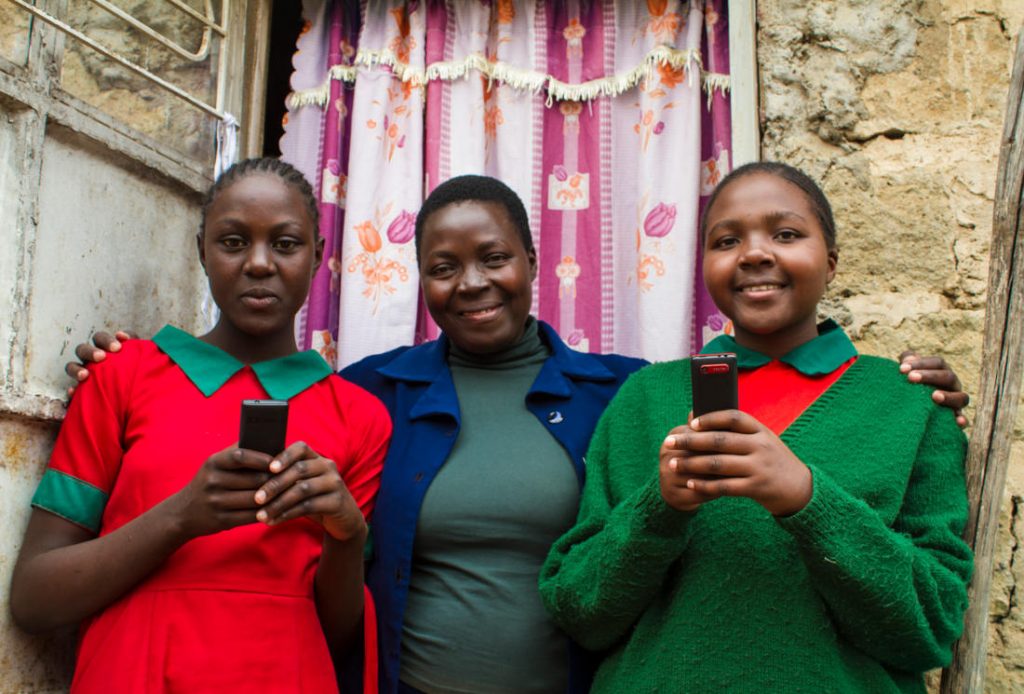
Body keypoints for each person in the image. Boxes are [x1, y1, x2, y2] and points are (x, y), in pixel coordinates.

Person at [65, 174, 970, 694]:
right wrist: (128, 364)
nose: (472, 284)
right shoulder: (368, 396)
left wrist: (912, 388)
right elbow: (249, 402)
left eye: (494, 258)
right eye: (443, 268)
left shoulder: (617, 392)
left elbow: (928, 607)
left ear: (535, 264)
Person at [538, 162, 973, 693]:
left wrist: (806, 499)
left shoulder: (911, 405)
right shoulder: (645, 400)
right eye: (726, 241)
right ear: (704, 266)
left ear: (831, 262)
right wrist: (661, 507)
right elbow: (581, 613)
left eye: (786, 234)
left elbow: (931, 630)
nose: (754, 253)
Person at [10, 158, 391, 694]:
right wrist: (181, 517)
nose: (259, 264)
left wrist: (347, 533)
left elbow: (337, 635)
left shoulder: (361, 417)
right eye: (233, 242)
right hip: (134, 672)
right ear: (201, 251)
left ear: (319, 256)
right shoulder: (122, 374)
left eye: (285, 244)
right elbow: (34, 598)